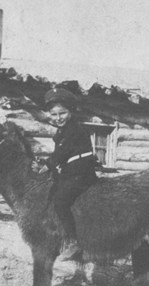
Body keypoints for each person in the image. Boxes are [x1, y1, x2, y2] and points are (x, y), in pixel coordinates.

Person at [44, 88, 97, 262]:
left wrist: (47, 164)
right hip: (70, 173)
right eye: (54, 114)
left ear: (71, 112)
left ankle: (74, 241)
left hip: (81, 174)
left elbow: (62, 153)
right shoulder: (61, 132)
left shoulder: (74, 130)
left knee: (61, 201)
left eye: (62, 113)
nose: (58, 118)